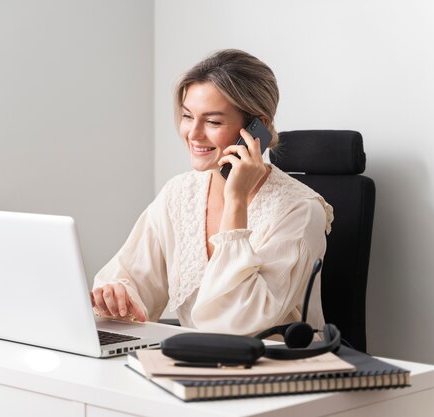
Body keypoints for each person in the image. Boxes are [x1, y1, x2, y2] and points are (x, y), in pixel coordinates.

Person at [91, 49, 333, 336]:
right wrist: (116, 296)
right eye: (187, 116)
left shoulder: (301, 210)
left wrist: (236, 200)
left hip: (273, 370)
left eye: (213, 121)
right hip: (197, 365)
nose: (193, 133)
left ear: (259, 128)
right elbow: (131, 277)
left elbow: (236, 323)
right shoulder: (179, 194)